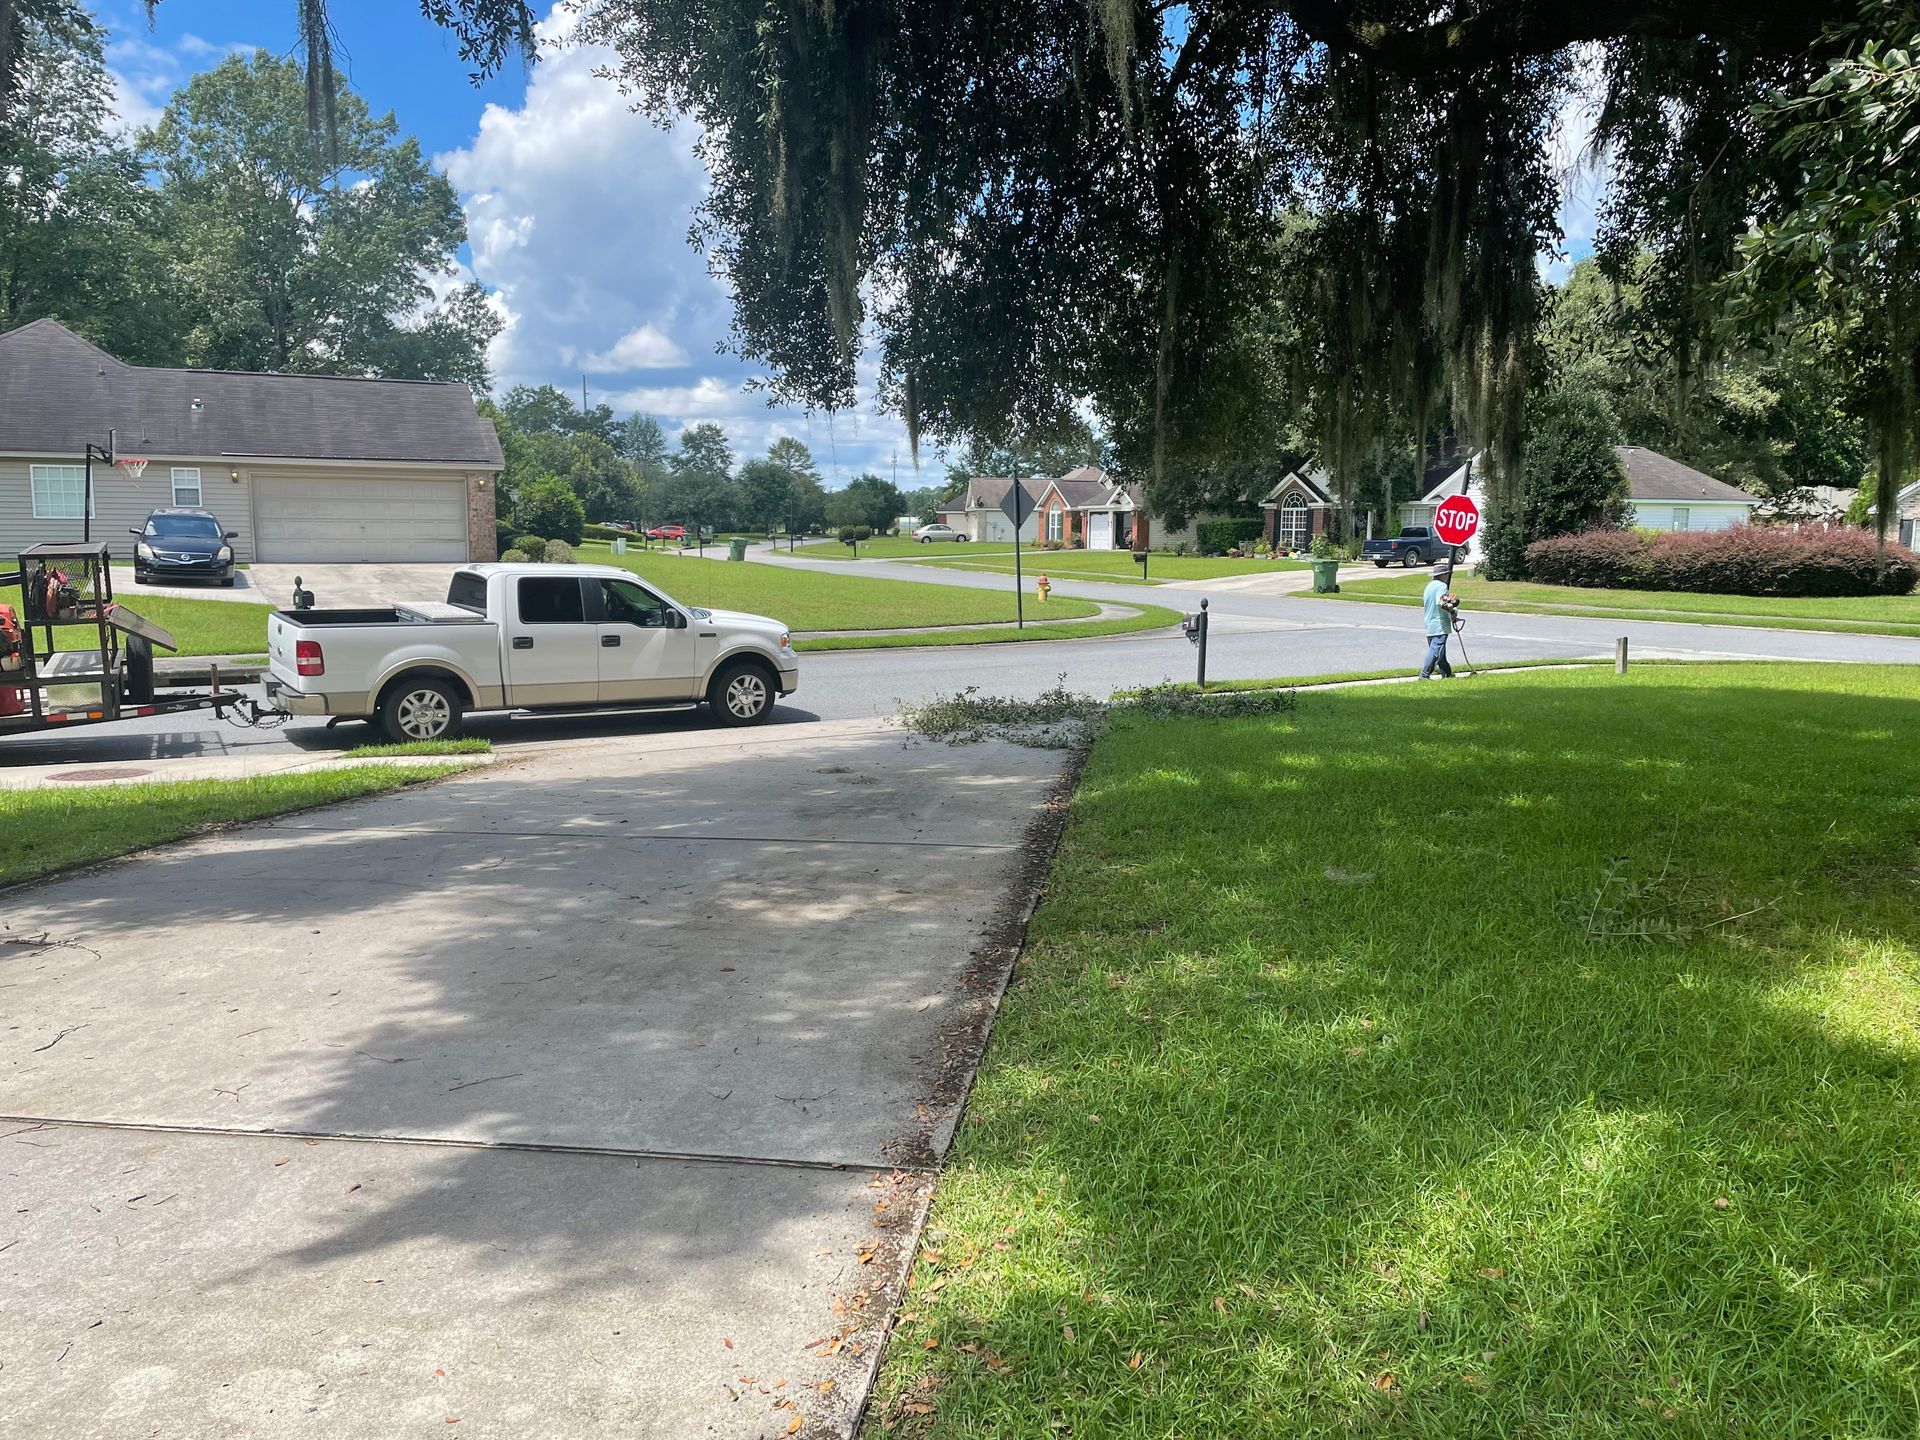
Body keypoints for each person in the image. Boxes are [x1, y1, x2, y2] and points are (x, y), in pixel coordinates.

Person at [1420, 560, 1456, 679]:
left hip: (1429, 623)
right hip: (1439, 624)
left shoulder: (1429, 587)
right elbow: (1441, 603)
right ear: (1443, 575)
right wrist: (1452, 611)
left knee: (1440, 651)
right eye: (1446, 574)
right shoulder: (1442, 586)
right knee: (1435, 650)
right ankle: (1424, 675)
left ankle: (1448, 674)